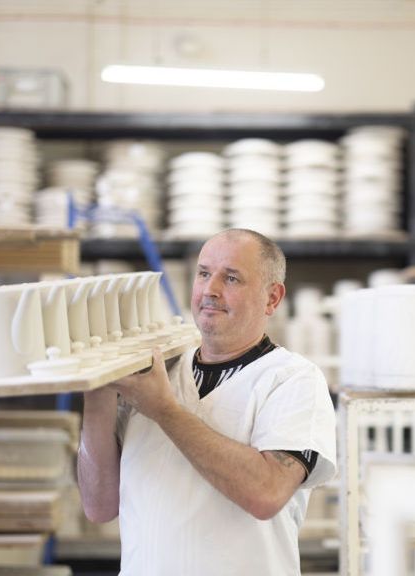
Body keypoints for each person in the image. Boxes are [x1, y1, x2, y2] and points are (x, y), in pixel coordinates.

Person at [77, 228, 337, 575]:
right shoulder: (155, 373)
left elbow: (267, 492)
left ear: (272, 298)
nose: (210, 290)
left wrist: (165, 410)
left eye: (231, 278)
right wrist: (96, 396)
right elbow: (99, 506)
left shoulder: (292, 379)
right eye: (203, 274)